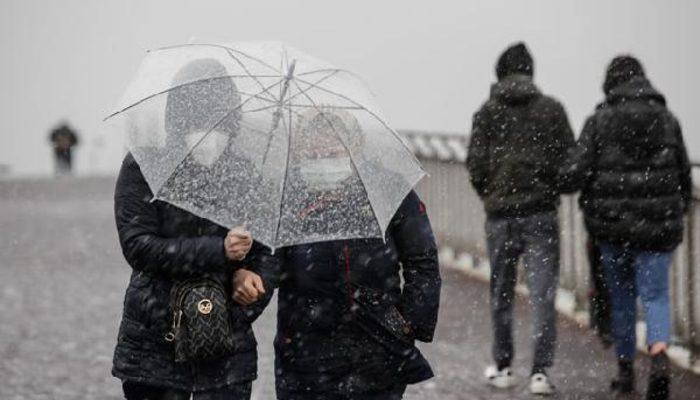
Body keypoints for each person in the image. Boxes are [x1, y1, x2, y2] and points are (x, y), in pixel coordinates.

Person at [235, 109, 442, 400]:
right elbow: (269, 263)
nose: (322, 160)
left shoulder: (386, 188)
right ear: (300, 151)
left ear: (353, 147)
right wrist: (246, 294)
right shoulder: (286, 194)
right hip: (303, 349)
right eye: (314, 153)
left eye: (332, 151)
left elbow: (422, 260)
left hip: (377, 345)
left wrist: (408, 323)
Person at [112, 58, 276, 400]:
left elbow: (269, 253)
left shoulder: (248, 175)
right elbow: (138, 246)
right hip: (155, 343)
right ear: (178, 118)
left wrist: (248, 288)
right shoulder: (146, 166)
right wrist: (218, 250)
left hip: (226, 346)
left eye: (219, 120)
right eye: (196, 120)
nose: (209, 133)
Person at [559, 56, 692, 400]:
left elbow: (576, 173)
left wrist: (559, 176)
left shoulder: (598, 121)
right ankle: (659, 353)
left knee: (621, 300)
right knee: (656, 296)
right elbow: (683, 175)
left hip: (612, 230)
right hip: (657, 230)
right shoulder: (667, 120)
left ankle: (626, 370)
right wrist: (675, 209)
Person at [466, 42, 574, 395]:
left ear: (499, 73)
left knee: (501, 293)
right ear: (531, 72)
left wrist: (493, 195)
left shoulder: (486, 113)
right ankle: (540, 372)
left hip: (500, 217)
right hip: (540, 213)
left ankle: (503, 365)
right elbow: (568, 160)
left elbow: (476, 166)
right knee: (542, 295)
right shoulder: (552, 110)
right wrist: (548, 186)